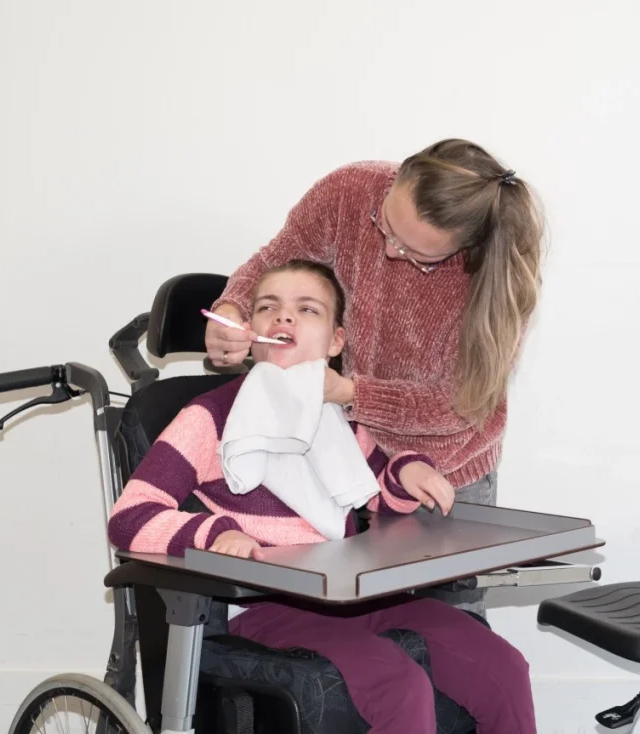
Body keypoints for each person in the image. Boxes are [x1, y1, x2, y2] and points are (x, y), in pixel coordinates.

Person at [107, 260, 537, 734]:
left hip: (354, 596)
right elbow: (129, 517)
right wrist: (214, 533)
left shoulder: (340, 420)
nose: (284, 318)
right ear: (250, 331)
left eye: (306, 309)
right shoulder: (208, 419)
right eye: (268, 307)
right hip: (267, 608)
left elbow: (380, 498)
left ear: (336, 341)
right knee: (400, 686)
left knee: (504, 665)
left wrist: (405, 473)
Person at [203, 139, 545, 616]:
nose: (388, 248)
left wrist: (350, 392)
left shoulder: (495, 284)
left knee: (450, 627)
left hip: (443, 474)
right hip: (350, 455)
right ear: (396, 178)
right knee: (362, 622)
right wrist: (230, 309)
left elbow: (461, 408)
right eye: (384, 224)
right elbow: (275, 262)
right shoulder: (349, 191)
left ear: (468, 248)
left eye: (416, 254)